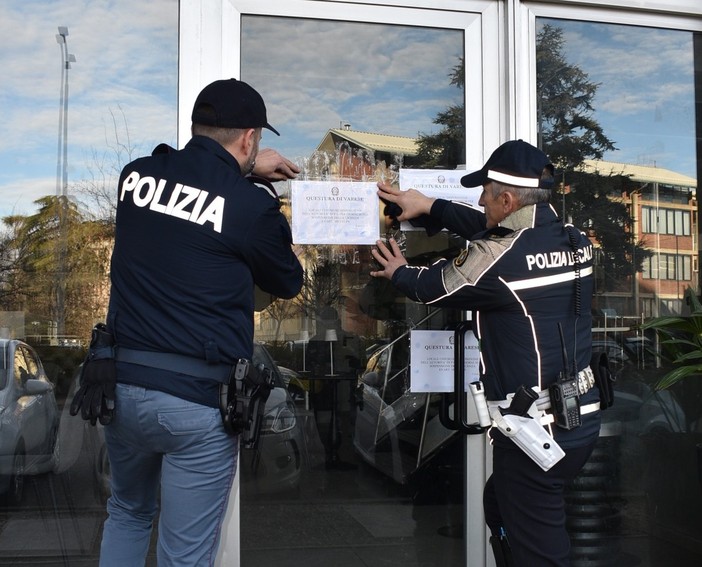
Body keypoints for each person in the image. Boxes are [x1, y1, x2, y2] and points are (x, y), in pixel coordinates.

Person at [98, 78, 303, 566]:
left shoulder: (135, 179)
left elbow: (187, 198)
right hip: (196, 402)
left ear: (196, 127)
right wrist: (251, 181)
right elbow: (289, 280)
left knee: (127, 512)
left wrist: (243, 172)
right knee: (184, 553)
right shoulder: (252, 206)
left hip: (121, 388)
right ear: (250, 138)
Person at [370, 139, 601, 567]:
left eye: (487, 192)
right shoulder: (575, 241)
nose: (480, 199)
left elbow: (434, 286)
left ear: (509, 199)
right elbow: (491, 228)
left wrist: (398, 270)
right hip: (580, 420)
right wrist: (430, 206)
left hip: (537, 433)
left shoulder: (501, 258)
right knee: (500, 504)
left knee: (540, 552)